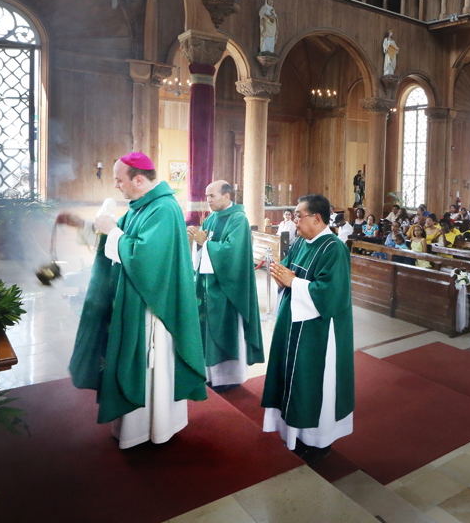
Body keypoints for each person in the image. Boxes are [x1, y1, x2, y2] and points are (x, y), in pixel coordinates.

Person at [60, 152, 206, 448]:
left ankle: (155, 427)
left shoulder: (163, 209)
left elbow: (144, 259)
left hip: (153, 309)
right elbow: (114, 239)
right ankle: (137, 426)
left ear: (138, 180)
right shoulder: (141, 207)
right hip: (135, 302)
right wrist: (86, 225)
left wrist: (112, 230)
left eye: (119, 179)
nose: (116, 185)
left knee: (151, 369)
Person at [262, 194, 355, 466]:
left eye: (298, 215)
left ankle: (318, 442)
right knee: (292, 378)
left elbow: (330, 295)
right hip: (293, 324)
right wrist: (281, 276)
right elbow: (289, 274)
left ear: (317, 218)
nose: (294, 220)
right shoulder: (302, 242)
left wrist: (293, 282)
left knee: (314, 384)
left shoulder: (334, 249)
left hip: (319, 333)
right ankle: (296, 435)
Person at [188, 180, 265, 389]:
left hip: (228, 290)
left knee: (228, 330)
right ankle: (210, 374)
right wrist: (197, 241)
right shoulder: (211, 219)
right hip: (209, 287)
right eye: (207, 196)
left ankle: (230, 378)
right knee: (208, 331)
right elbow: (202, 248)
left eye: (212, 196)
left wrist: (205, 243)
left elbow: (233, 253)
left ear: (227, 196)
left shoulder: (238, 219)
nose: (208, 200)